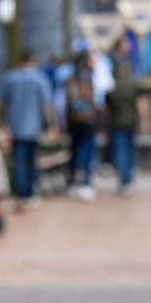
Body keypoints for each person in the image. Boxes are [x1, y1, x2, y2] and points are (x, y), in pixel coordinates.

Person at [0, 51, 55, 211]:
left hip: (16, 128)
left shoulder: (10, 78)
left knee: (19, 163)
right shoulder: (40, 78)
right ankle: (30, 194)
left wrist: (1, 125)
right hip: (34, 128)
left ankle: (21, 196)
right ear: (33, 60)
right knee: (32, 162)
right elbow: (46, 106)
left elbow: (1, 103)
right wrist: (50, 126)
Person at [105, 59, 149, 197]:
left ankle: (125, 179)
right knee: (129, 150)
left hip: (116, 123)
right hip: (130, 123)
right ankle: (127, 178)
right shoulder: (133, 84)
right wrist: (145, 120)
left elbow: (106, 108)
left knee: (121, 151)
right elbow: (141, 104)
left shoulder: (112, 86)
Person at [65, 50, 100, 201]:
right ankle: (84, 182)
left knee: (74, 149)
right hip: (87, 120)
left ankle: (73, 181)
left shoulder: (70, 78)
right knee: (86, 151)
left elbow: (64, 102)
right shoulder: (89, 78)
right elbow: (96, 100)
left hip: (73, 120)